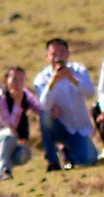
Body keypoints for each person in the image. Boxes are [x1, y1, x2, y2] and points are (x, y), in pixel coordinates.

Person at [31, 38, 98, 170]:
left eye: (62, 52)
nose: (58, 57)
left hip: (80, 130)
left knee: (89, 159)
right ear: (47, 57)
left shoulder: (79, 70)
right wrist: (52, 82)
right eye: (53, 54)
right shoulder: (42, 79)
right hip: (60, 127)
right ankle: (52, 161)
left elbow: (90, 93)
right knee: (45, 115)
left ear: (68, 54)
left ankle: (68, 154)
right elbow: (44, 105)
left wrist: (72, 79)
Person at [0, 66, 39, 181]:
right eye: (14, 79)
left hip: (8, 143)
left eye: (21, 79)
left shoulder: (25, 95)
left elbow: (39, 110)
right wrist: (18, 104)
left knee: (24, 154)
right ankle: (1, 171)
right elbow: (11, 126)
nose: (18, 83)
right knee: (10, 134)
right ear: (6, 80)